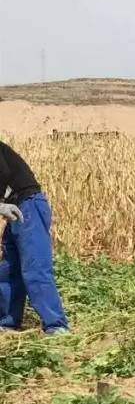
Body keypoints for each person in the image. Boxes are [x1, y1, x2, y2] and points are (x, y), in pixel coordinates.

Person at [0, 140, 69, 334]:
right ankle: (7, 323)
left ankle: (56, 326)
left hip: (28, 204)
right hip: (14, 209)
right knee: (8, 270)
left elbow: (2, 171)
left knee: (35, 268)